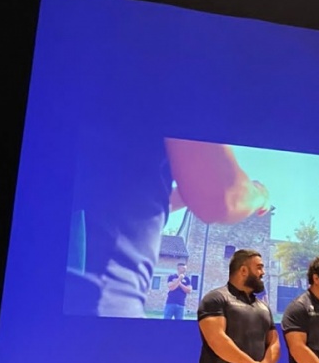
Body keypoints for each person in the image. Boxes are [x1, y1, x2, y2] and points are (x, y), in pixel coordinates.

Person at [65, 135, 269, 318]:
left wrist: (191, 193)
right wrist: (260, 194)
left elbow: (134, 206)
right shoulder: (171, 106)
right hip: (104, 296)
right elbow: (223, 197)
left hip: (75, 290)